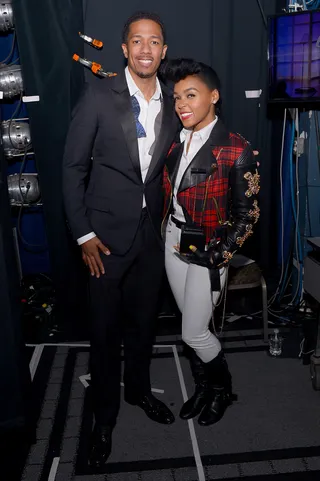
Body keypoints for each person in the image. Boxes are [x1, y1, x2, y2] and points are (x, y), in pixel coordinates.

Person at [63, 12, 180, 468]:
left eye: (154, 42)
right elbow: (72, 169)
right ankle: (104, 419)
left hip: (151, 238)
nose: (146, 49)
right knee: (106, 334)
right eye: (138, 41)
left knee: (144, 326)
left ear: (163, 50)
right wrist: (84, 234)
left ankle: (139, 392)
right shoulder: (98, 95)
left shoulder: (173, 103)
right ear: (125, 49)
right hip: (104, 241)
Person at [163, 58, 260, 426]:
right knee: (190, 325)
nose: (182, 104)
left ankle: (222, 390)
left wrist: (218, 254)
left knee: (194, 331)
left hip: (209, 251)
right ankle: (203, 388)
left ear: (214, 96)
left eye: (191, 95)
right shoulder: (176, 138)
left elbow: (247, 215)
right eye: (176, 98)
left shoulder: (236, 149)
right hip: (174, 241)